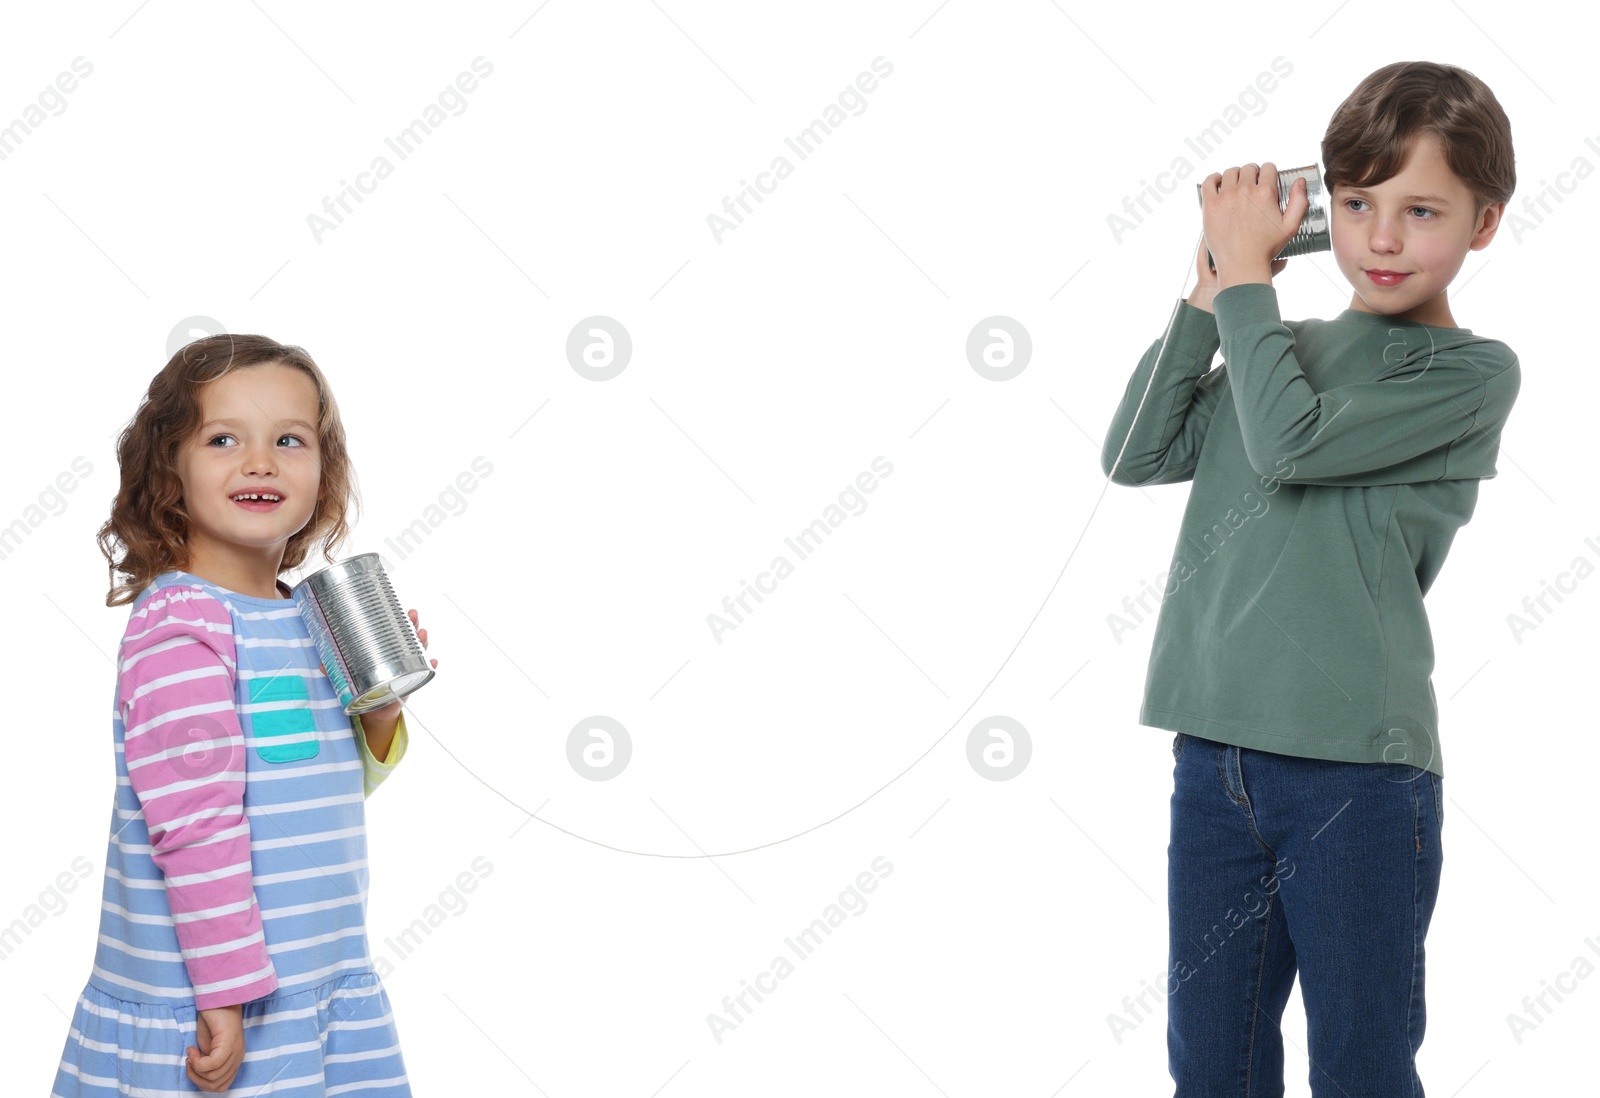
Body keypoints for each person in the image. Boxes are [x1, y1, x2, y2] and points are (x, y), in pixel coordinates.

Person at [1100, 61, 1518, 1096]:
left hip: (1354, 778)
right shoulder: (1271, 343)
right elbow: (1136, 452)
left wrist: (1245, 295)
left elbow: (1289, 446)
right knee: (1212, 1058)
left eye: (1420, 210)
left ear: (1483, 223)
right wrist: (1211, 290)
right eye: (1353, 204)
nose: (1379, 238)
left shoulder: (1466, 377)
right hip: (1214, 760)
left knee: (1361, 1061)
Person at [51, 334, 437, 1094]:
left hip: (317, 969)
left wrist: (380, 712)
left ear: (323, 473)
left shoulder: (305, 616)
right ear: (170, 472)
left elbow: (312, 789)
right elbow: (195, 825)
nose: (259, 461)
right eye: (224, 439)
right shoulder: (183, 627)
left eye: (289, 440)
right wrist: (223, 994)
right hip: (218, 995)